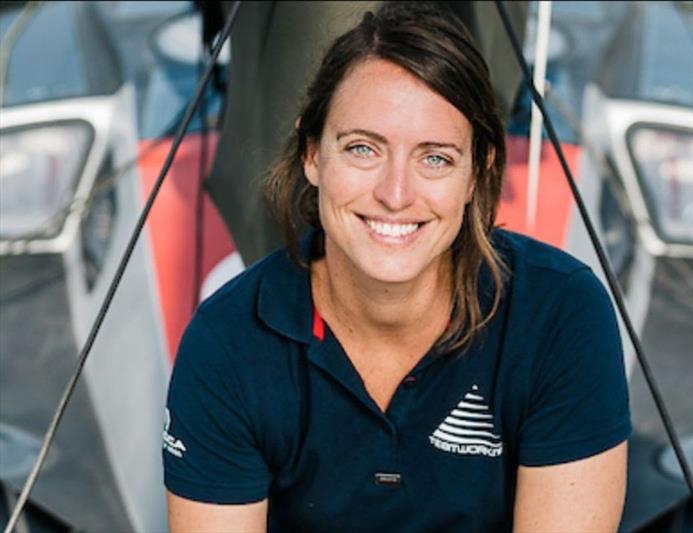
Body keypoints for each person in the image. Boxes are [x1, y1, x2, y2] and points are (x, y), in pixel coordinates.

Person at [162, 3, 631, 532]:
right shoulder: (227, 342)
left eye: (435, 158)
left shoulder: (560, 314)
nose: (395, 194)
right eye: (363, 149)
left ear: (478, 172)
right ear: (312, 154)